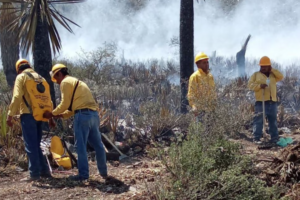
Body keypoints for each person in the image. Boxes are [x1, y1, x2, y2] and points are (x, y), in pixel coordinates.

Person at [43, 64, 108, 181]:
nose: (57, 82)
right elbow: (73, 108)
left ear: (59, 73)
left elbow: (65, 104)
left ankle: (83, 175)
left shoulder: (65, 82)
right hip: (93, 115)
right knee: (98, 145)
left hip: (82, 117)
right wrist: (61, 115)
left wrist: (51, 114)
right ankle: (103, 172)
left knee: (81, 146)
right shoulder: (77, 82)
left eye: (56, 78)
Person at [6, 59, 54, 181]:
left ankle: (34, 174)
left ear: (18, 69)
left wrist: (10, 115)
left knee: (30, 146)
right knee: (36, 145)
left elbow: (17, 97)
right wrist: (50, 119)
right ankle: (44, 171)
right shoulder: (40, 78)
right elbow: (49, 99)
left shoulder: (21, 77)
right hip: (41, 115)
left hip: (28, 115)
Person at [248, 56, 283, 144]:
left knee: (273, 120)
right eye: (262, 66)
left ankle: (274, 138)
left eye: (265, 66)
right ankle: (256, 138)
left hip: (273, 102)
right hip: (261, 102)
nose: (263, 68)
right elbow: (250, 85)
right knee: (258, 120)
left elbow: (281, 76)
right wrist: (259, 86)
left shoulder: (273, 75)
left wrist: (272, 70)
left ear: (269, 66)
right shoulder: (256, 75)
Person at [187, 52, 216, 121]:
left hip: (211, 109)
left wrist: (214, 106)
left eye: (207, 62)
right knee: (201, 129)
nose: (206, 64)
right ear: (198, 64)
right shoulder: (194, 77)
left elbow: (213, 92)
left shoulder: (210, 76)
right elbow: (191, 94)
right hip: (200, 110)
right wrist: (194, 106)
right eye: (204, 63)